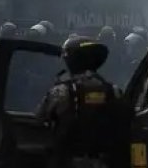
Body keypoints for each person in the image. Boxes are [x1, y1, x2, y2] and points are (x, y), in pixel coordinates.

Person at [37, 36, 125, 168]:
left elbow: (40, 118)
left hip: (68, 161)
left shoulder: (61, 91)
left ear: (70, 60)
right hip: (104, 162)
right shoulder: (114, 90)